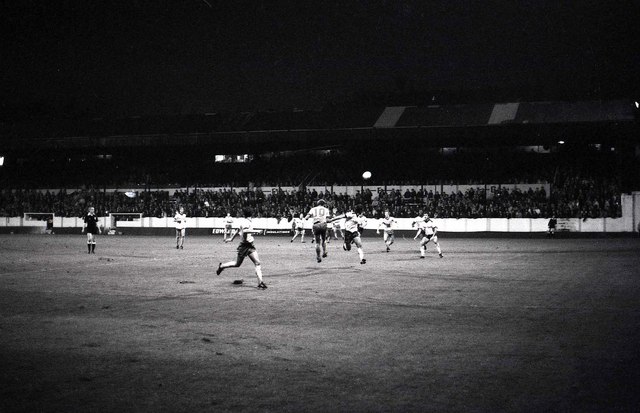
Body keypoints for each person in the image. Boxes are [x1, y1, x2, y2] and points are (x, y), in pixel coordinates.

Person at [216, 207, 267, 289]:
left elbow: (238, 230)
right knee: (237, 264)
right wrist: (257, 231)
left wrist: (231, 239)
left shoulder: (246, 222)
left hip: (250, 246)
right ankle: (222, 266)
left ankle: (260, 283)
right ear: (251, 215)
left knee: (257, 263)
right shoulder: (246, 222)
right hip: (244, 246)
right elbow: (245, 231)